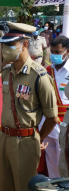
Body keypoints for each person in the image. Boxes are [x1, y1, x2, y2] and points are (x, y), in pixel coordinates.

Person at [0, 22, 58, 191]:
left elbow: (52, 118)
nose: (5, 49)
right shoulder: (6, 72)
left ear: (24, 44)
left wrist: (36, 136)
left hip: (25, 142)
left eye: (10, 45)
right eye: (4, 44)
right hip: (4, 139)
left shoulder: (39, 76)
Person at [44, 36, 69, 179]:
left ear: (67, 51)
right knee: (51, 159)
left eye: (58, 52)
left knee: (64, 159)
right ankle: (55, 189)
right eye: (52, 52)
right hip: (49, 122)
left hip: (66, 123)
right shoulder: (47, 70)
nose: (54, 55)